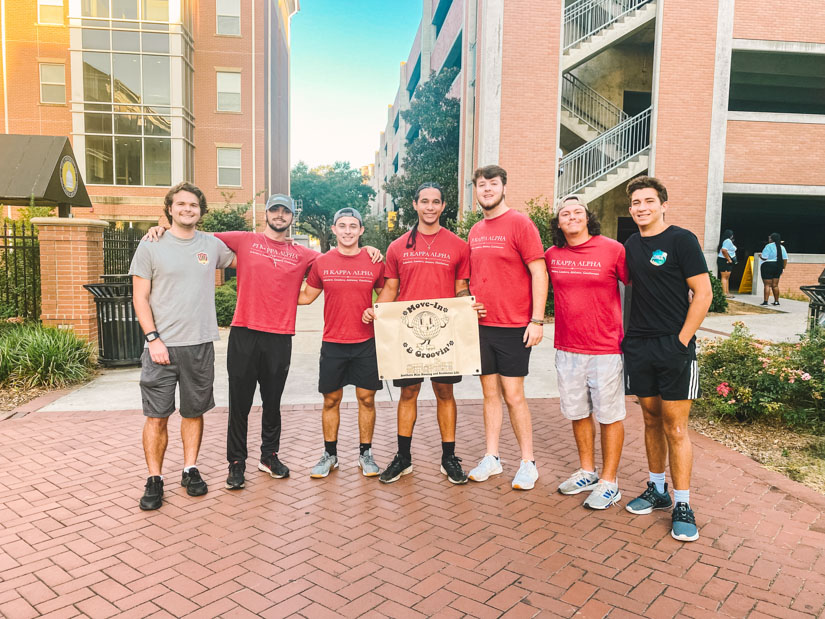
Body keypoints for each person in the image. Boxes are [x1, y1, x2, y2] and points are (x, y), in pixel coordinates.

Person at [143, 195, 382, 491]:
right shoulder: (245, 240)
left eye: (285, 211)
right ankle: (236, 463)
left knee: (272, 402)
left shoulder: (305, 254)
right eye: (275, 210)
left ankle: (269, 456)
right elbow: (192, 234)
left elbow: (341, 258)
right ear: (266, 213)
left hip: (280, 335)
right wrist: (161, 229)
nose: (280, 215)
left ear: (292, 217)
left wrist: (369, 249)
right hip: (244, 332)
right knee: (239, 403)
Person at [363, 182, 482, 485]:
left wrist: (469, 305)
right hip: (407, 333)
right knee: (409, 393)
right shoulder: (397, 246)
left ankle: (449, 457)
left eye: (436, 202)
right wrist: (377, 311)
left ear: (443, 207)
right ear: (414, 204)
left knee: (445, 392)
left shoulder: (458, 245)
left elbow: (460, 288)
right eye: (424, 201)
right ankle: (404, 458)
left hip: (444, 333)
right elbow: (390, 289)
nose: (430, 207)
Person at [130, 182, 235, 510]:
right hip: (160, 347)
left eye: (194, 205)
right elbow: (139, 297)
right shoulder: (151, 245)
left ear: (201, 211)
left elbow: (251, 255)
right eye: (181, 204)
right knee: (156, 416)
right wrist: (153, 339)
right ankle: (155, 478)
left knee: (194, 412)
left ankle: (190, 469)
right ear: (170, 209)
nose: (187, 209)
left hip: (200, 344)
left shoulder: (212, 245)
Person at [621, 176, 712, 542]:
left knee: (676, 427)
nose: (641, 207)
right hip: (639, 347)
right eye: (635, 203)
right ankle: (656, 489)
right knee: (649, 418)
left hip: (674, 347)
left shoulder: (681, 240)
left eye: (648, 201)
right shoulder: (629, 244)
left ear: (663, 205)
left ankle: (683, 503)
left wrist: (682, 340)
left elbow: (702, 293)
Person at [466, 165, 549, 491]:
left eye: (493, 184)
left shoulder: (520, 223)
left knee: (514, 395)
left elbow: (539, 273)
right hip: (482, 327)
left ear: (504, 187)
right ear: (476, 190)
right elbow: (472, 277)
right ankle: (492, 457)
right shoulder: (475, 231)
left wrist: (537, 319)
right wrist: (467, 299)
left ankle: (528, 462)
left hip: (514, 326)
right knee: (489, 394)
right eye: (481, 185)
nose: (487, 189)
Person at [546, 195, 629, 509]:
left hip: (606, 347)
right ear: (559, 223)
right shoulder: (552, 254)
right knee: (577, 412)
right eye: (565, 213)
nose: (571, 216)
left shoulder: (613, 249)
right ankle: (587, 471)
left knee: (609, 415)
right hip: (567, 347)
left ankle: (610, 482)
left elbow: (640, 284)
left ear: (587, 217)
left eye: (577, 211)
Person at [298, 208, 385, 478]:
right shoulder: (322, 262)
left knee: (366, 399)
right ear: (334, 230)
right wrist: (267, 287)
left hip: (366, 342)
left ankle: (365, 454)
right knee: (331, 400)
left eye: (353, 226)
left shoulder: (374, 261)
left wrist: (377, 309)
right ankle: (330, 454)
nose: (347, 230)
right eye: (342, 225)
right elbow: (305, 297)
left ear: (361, 231)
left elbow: (388, 295)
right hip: (333, 342)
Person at [760, 233, 787, 306]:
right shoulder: (782, 247)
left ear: (772, 239)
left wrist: (760, 256)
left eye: (769, 238)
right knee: (775, 285)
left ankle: (765, 301)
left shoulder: (768, 246)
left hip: (767, 265)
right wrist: (783, 268)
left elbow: (764, 257)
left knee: (767, 285)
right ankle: (776, 301)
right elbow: (785, 259)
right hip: (778, 266)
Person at [716, 229, 736, 298]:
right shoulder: (728, 241)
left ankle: (727, 292)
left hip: (725, 260)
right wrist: (729, 259)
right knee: (724, 277)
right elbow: (724, 250)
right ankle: (724, 293)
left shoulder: (725, 241)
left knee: (727, 277)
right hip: (724, 260)